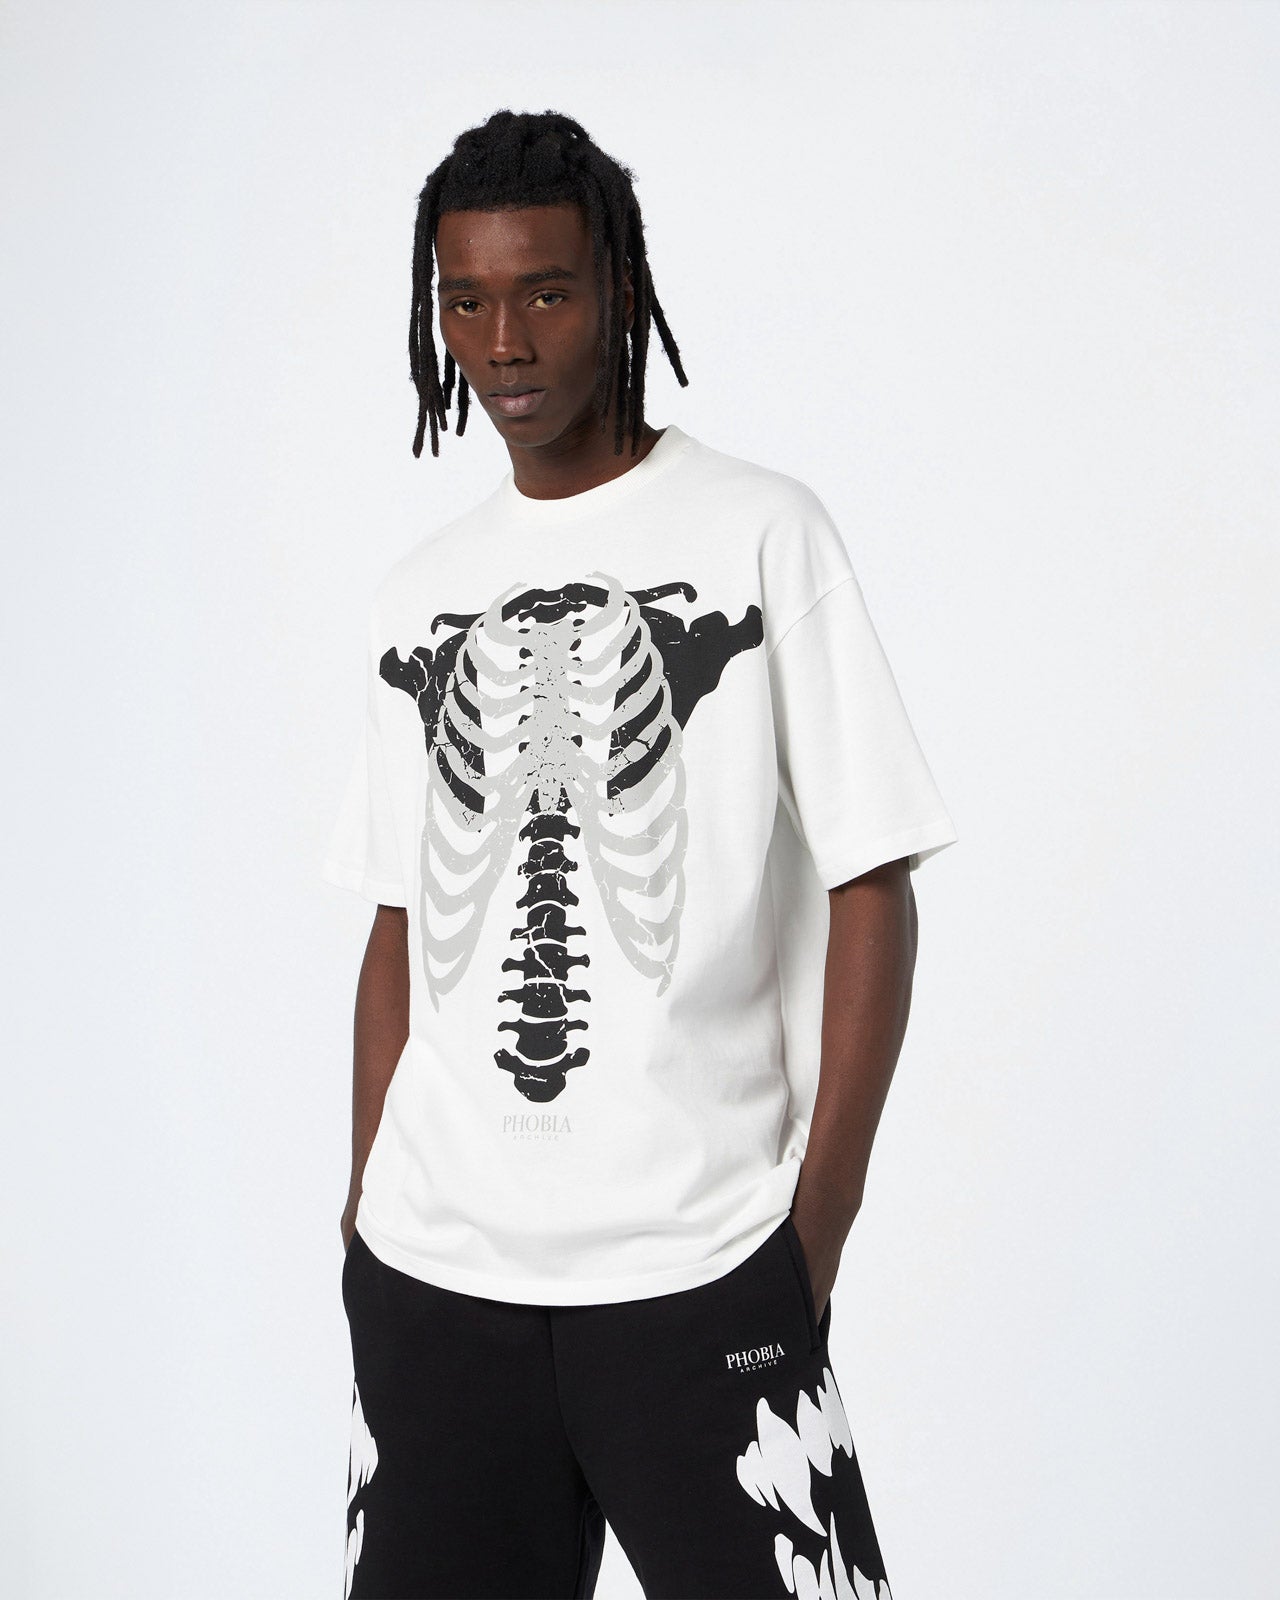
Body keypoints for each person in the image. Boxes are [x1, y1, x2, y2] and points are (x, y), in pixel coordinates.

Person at [321, 106, 956, 1600]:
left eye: (544, 290)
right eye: (465, 301)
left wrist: (816, 1232)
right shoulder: (419, 591)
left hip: (703, 1270)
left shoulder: (763, 535)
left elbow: (873, 883)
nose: (504, 343)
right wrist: (361, 1215)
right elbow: (398, 924)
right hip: (435, 1281)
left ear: (619, 285)